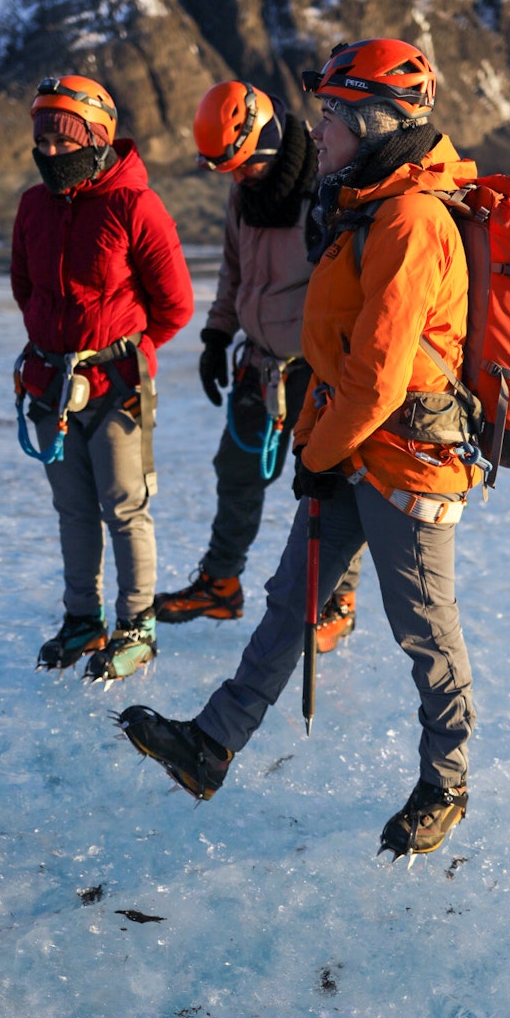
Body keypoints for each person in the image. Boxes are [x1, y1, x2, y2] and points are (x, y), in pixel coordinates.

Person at [118, 38, 486, 860]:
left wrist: (318, 451)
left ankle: (445, 779)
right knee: (291, 597)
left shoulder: (410, 219)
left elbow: (381, 371)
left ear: (377, 121)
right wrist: (320, 444)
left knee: (424, 630)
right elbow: (339, 351)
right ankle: (210, 744)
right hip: (354, 446)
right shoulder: (360, 200)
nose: (316, 128)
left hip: (408, 462)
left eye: (330, 114)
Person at [154, 80, 360, 651]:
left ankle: (338, 599)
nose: (236, 178)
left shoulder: (322, 189)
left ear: (262, 142)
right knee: (236, 472)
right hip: (257, 365)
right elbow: (232, 270)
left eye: (241, 166)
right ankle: (221, 583)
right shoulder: (244, 195)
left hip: (313, 370)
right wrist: (218, 333)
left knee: (327, 485)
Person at [12, 74, 193, 680]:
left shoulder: (134, 206)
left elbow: (175, 305)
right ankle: (82, 622)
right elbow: (25, 286)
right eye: (44, 141)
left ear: (96, 138)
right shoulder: (34, 206)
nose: (51, 152)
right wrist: (54, 349)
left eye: (64, 141)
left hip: (116, 388)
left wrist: (120, 358)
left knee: (124, 507)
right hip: (53, 385)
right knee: (73, 511)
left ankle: (137, 626)